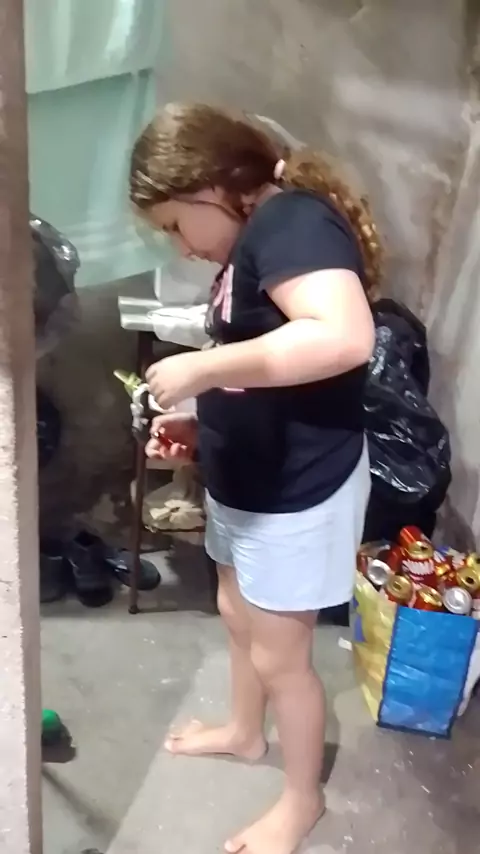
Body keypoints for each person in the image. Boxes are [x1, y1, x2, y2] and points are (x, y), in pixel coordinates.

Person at [130, 103, 378, 854]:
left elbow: (343, 337)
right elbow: (270, 366)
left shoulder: (291, 223)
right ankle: (245, 731)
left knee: (282, 656)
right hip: (250, 479)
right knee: (237, 614)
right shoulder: (252, 244)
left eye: (177, 224)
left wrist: (204, 367)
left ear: (212, 187)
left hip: (298, 489)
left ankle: (302, 800)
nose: (182, 245)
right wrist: (201, 425)